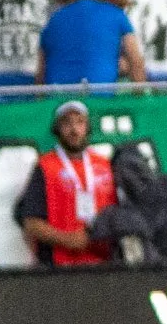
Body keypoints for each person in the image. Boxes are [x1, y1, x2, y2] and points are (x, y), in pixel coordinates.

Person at [15, 94, 118, 264]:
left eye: (80, 122)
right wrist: (68, 240)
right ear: (57, 128)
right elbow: (31, 222)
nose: (74, 129)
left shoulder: (105, 165)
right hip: (58, 267)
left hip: (104, 264)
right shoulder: (45, 167)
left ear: (87, 127)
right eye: (67, 123)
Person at [37, 0, 140, 89]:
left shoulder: (55, 18)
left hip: (56, 97)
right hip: (99, 96)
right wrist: (141, 99)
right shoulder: (116, 14)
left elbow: (40, 74)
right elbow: (136, 62)